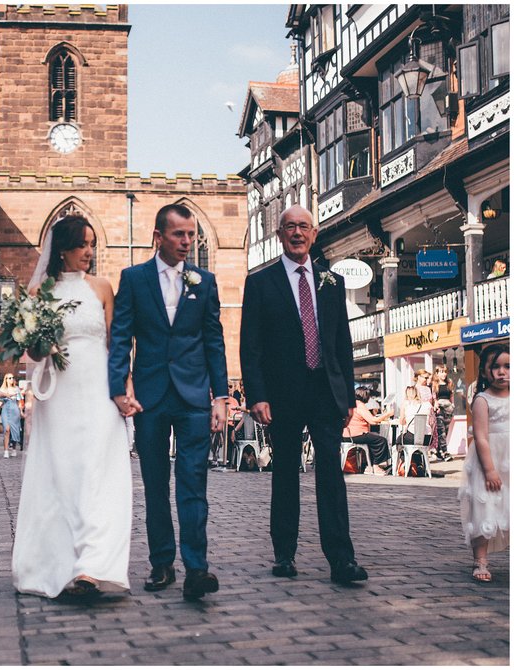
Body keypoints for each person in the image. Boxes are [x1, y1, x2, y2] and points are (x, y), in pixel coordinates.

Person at [240, 205, 368, 586]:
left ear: (314, 234)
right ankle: (284, 554)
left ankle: (341, 561)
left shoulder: (331, 281)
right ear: (279, 235)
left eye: (304, 227)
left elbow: (341, 341)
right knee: (285, 472)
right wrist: (257, 395)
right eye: (290, 227)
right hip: (282, 393)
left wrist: (348, 395)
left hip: (325, 391)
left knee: (331, 473)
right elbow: (251, 346)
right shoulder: (261, 282)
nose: (297, 233)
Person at [108, 203, 228, 601]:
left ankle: (197, 569)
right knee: (156, 485)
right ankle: (162, 564)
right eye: (179, 234)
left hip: (194, 397)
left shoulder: (204, 281)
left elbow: (214, 340)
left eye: (191, 235)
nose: (187, 242)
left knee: (193, 484)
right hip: (150, 398)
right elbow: (122, 336)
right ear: (158, 237)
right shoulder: (134, 279)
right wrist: (118, 389)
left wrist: (221, 396)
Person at [13, 215, 132, 600]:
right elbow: (28, 348)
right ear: (62, 249)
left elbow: (118, 345)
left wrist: (123, 388)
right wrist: (41, 345)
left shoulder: (102, 288)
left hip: (98, 390)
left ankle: (92, 567)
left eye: (93, 244)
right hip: (59, 393)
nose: (90, 252)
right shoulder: (38, 294)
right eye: (83, 244)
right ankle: (57, 562)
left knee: (98, 472)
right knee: (60, 473)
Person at [458, 342, 509, 583]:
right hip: (489, 460)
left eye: (508, 366)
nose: (502, 372)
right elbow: (480, 437)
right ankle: (480, 559)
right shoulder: (483, 399)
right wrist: (489, 470)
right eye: (496, 367)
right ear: (485, 372)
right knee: (486, 507)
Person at [342, 387, 392, 473]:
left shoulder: (351, 404)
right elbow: (372, 421)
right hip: (356, 435)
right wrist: (388, 414)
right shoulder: (360, 405)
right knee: (381, 440)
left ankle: (368, 466)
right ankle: (376, 466)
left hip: (346, 435)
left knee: (372, 439)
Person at [0, 374, 25, 458]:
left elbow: (20, 402)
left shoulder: (16, 389)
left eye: (13, 377)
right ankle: (5, 451)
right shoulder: (2, 389)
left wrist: (21, 412)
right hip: (5, 410)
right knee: (7, 430)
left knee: (14, 430)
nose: (12, 379)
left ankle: (14, 449)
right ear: (6, 379)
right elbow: (0, 402)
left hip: (15, 411)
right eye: (9, 378)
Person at [432, 365, 455, 462]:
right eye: (441, 372)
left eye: (445, 372)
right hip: (439, 408)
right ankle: (445, 452)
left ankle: (437, 452)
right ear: (437, 373)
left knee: (445, 430)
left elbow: (451, 395)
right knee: (441, 431)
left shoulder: (449, 383)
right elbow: (434, 397)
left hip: (448, 408)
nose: (444, 374)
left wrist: (453, 405)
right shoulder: (435, 384)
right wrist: (435, 404)